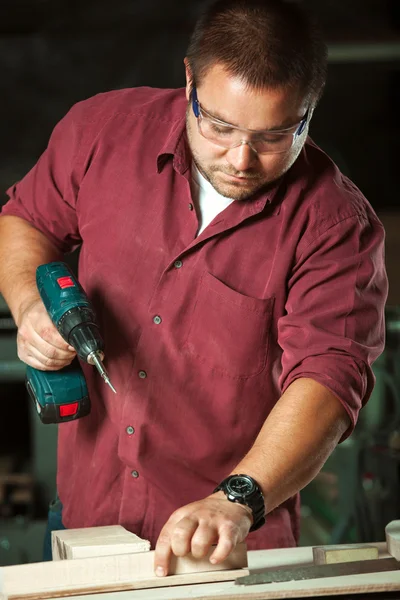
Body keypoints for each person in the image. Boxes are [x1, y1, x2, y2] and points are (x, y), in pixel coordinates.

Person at [0, 0, 387, 577]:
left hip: (230, 544)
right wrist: (29, 304)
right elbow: (25, 219)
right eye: (220, 126)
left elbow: (329, 379)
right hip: (87, 521)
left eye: (275, 136)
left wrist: (238, 498)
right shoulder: (102, 131)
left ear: (310, 109)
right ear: (189, 80)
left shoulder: (336, 227)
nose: (241, 158)